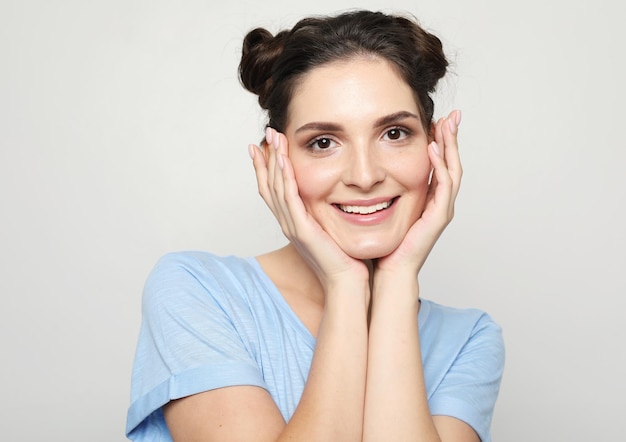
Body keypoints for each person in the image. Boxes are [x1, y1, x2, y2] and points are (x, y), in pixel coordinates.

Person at [126, 9, 505, 442]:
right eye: (323, 143)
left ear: (436, 147)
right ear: (275, 162)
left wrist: (397, 280)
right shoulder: (197, 291)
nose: (364, 176)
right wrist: (345, 283)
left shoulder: (469, 339)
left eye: (395, 134)